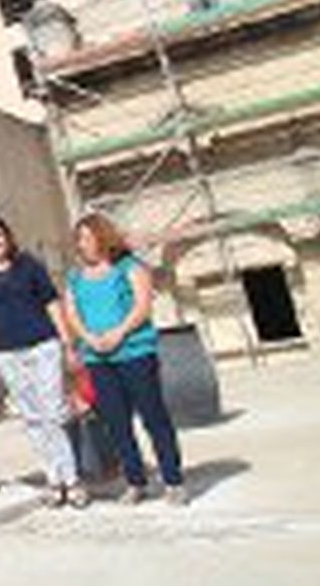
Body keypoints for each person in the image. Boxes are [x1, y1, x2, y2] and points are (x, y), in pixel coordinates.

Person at [63, 212, 186, 505]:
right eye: (79, 239)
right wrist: (88, 338)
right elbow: (72, 313)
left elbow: (143, 306)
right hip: (98, 357)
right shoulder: (75, 277)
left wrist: (119, 333)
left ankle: (173, 480)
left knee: (154, 417)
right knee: (117, 423)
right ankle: (135, 481)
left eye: (88, 237)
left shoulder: (129, 267)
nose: (82, 244)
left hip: (134, 352)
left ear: (102, 238)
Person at [0, 216, 86, 508]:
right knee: (32, 417)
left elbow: (52, 304)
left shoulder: (29, 266)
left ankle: (72, 480)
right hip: (6, 354)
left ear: (8, 238)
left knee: (53, 411)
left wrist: (67, 343)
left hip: (42, 346)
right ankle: (53, 479)